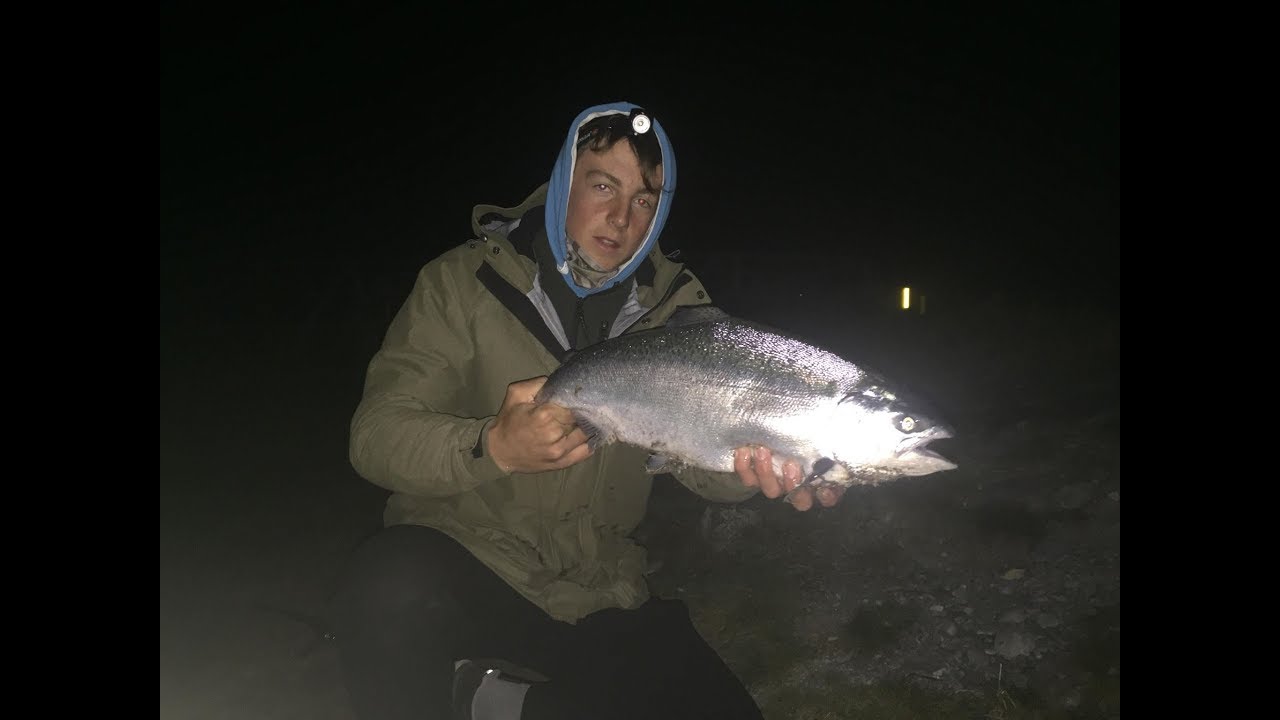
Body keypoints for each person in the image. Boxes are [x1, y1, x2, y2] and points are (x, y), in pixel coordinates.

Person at [331, 101, 847, 720]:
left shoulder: (678, 314)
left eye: (645, 199)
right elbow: (376, 437)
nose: (621, 217)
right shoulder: (460, 283)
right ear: (562, 185)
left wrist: (749, 469)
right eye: (603, 185)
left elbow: (698, 465)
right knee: (389, 583)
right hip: (467, 561)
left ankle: (489, 697)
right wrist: (491, 447)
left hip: (603, 588)